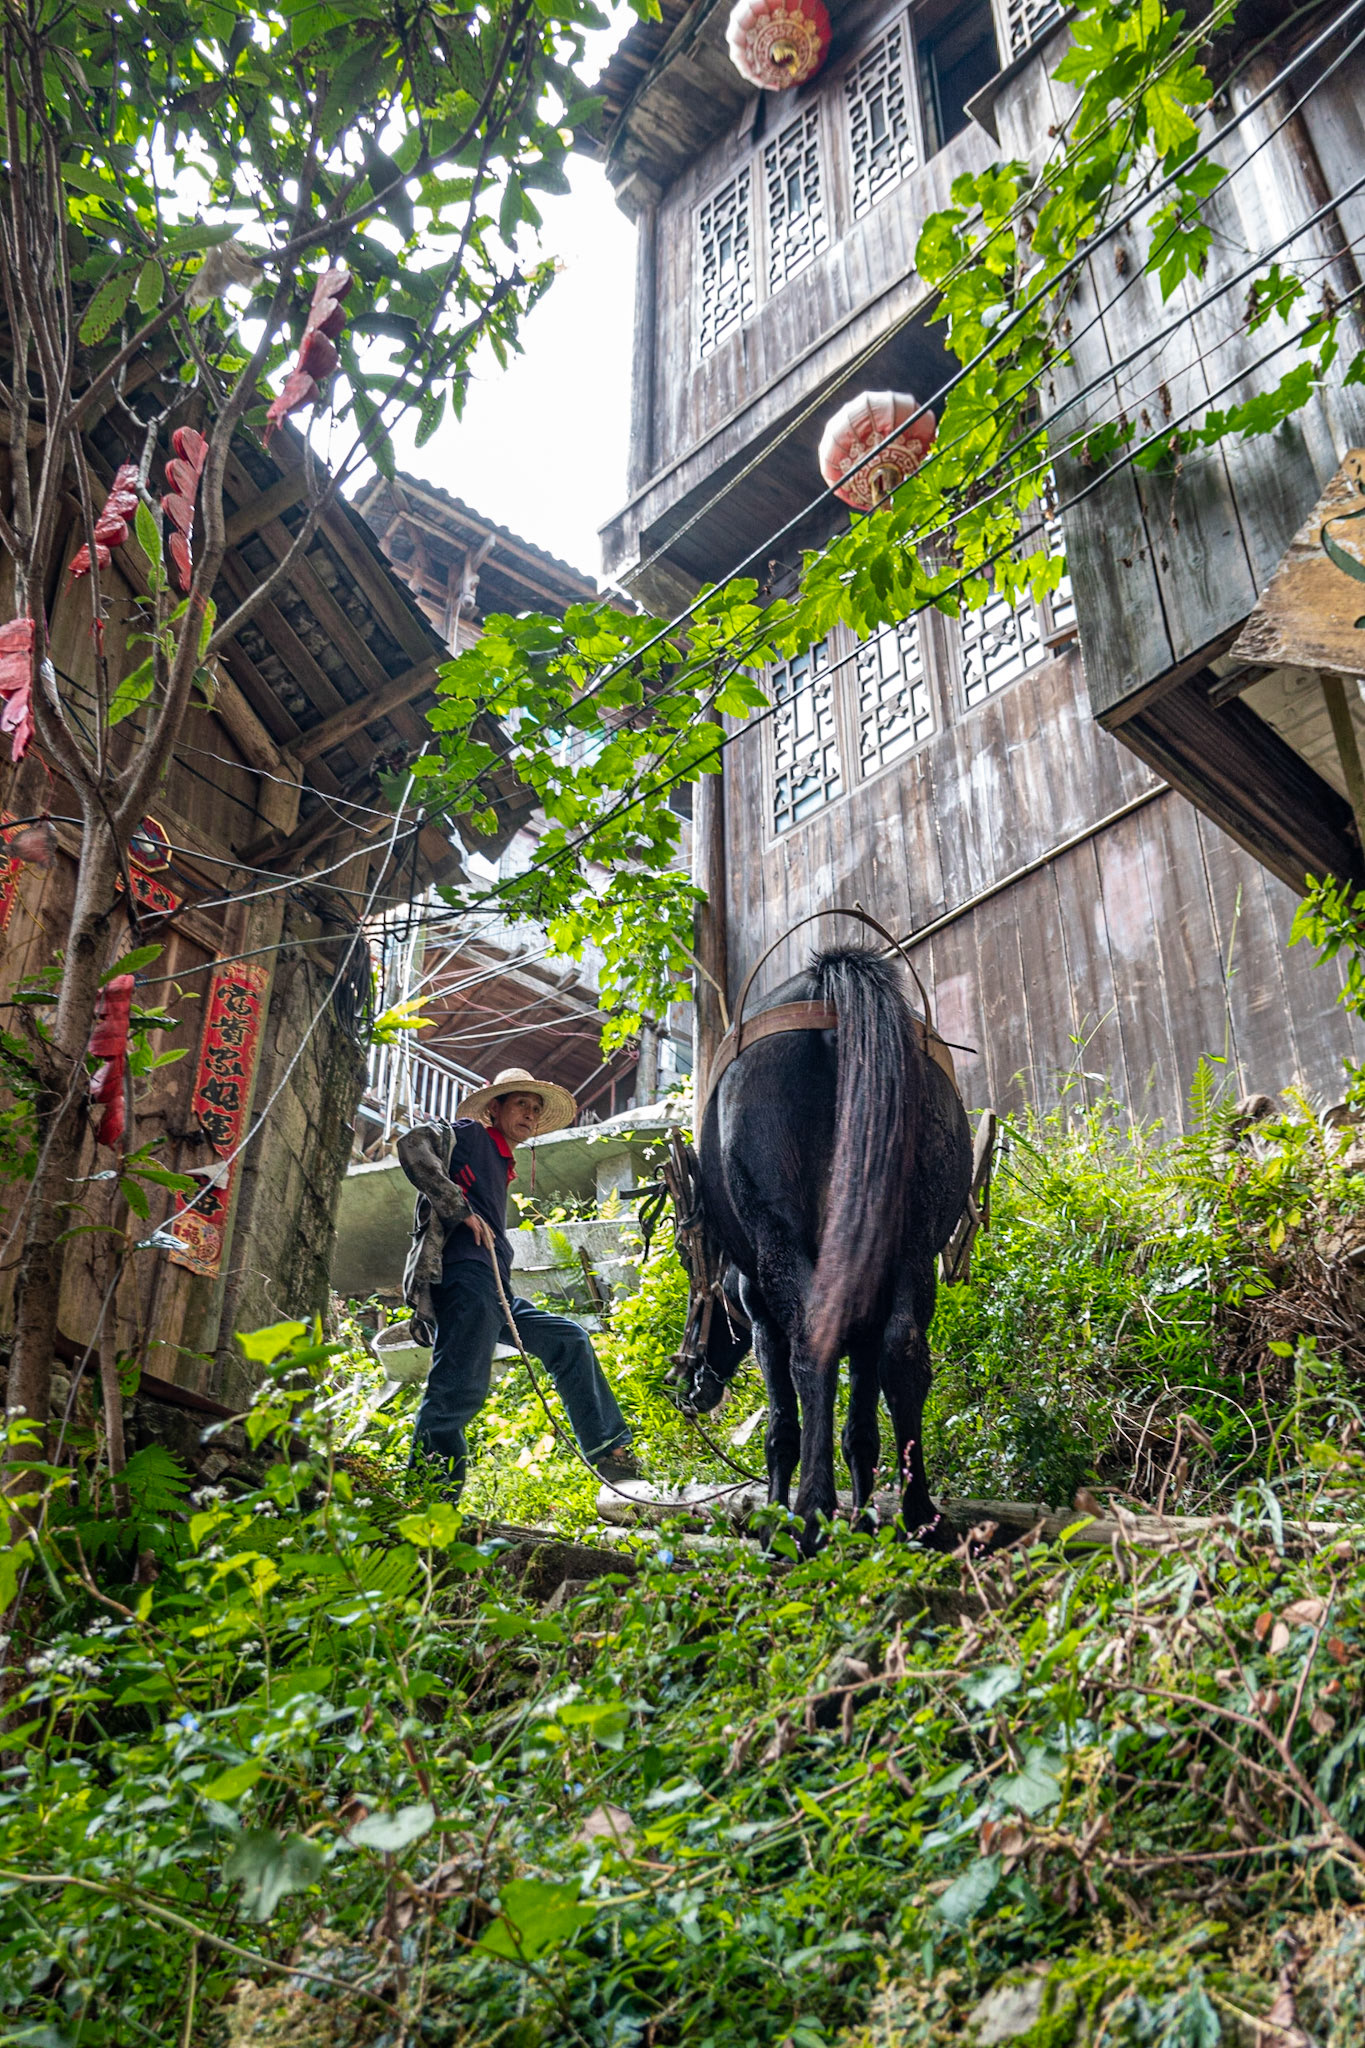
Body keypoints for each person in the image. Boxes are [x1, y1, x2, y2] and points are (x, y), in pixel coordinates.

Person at [397, 1064, 639, 1494]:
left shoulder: (500, 1159)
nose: (528, 1114)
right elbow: (413, 1143)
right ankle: (427, 1501)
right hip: (466, 1282)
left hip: (494, 1289)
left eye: (534, 1108)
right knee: (458, 1392)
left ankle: (610, 1453)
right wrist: (459, 1208)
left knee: (569, 1340)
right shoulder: (472, 1135)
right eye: (520, 1104)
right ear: (496, 1108)